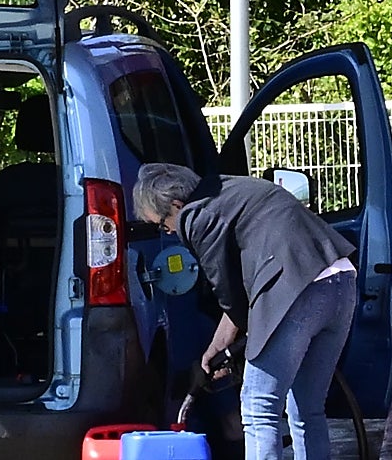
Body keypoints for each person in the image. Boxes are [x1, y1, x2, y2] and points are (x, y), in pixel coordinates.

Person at [132, 163, 357, 460]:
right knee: (307, 406)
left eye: (162, 224)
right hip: (340, 282)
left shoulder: (195, 215)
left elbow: (227, 291)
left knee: (258, 407)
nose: (169, 231)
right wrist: (218, 347)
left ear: (176, 205)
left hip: (296, 289)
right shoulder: (231, 188)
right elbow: (242, 292)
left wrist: (235, 350)